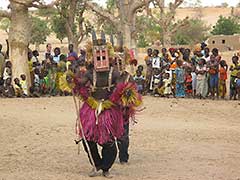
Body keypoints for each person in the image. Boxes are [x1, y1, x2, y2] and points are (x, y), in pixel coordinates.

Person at [71, 34, 141, 178]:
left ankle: (106, 168)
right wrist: (73, 81)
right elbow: (80, 83)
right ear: (93, 56)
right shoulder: (90, 73)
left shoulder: (114, 73)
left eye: (103, 54)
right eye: (97, 55)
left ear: (109, 56)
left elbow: (121, 86)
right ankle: (96, 164)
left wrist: (125, 91)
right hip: (91, 109)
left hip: (109, 110)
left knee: (109, 142)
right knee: (87, 138)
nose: (101, 58)